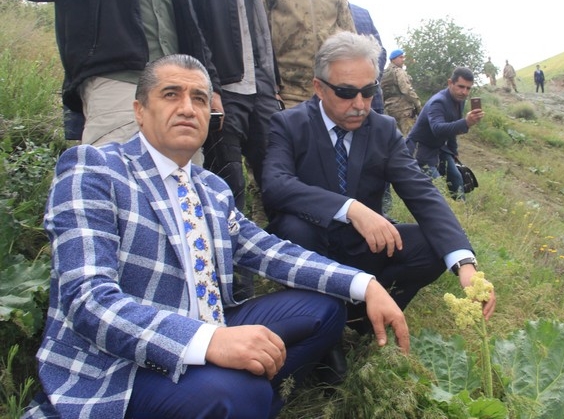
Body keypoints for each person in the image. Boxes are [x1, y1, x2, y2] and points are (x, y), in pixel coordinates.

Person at [22, 54, 409, 419]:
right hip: (122, 362)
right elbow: (87, 299)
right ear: (140, 111)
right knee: (237, 394)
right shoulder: (95, 170)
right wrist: (207, 342)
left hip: (212, 327)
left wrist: (363, 283)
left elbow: (269, 252)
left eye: (199, 98)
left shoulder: (211, 188)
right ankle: (235, 395)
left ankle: (234, 393)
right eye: (171, 94)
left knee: (325, 310)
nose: (188, 108)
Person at [261, 32, 496, 366]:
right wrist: (350, 208)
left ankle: (359, 319)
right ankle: (320, 330)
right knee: (293, 227)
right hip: (311, 249)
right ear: (319, 87)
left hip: (363, 247)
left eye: (369, 91)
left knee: (431, 246)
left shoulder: (383, 129)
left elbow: (422, 192)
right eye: (346, 93)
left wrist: (465, 264)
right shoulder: (289, 124)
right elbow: (275, 184)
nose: (360, 104)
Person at [11, 0, 224, 149]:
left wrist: (210, 85)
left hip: (182, 86)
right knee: (114, 182)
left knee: (181, 187)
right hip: (117, 79)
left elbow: (191, 20)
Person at [186, 0, 279, 217]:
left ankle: (280, 247)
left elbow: (259, 34)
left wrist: (272, 84)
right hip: (223, 88)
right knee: (228, 184)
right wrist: (211, 87)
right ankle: (228, 251)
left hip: (259, 87)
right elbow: (193, 28)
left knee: (276, 177)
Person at [256, 0, 356, 109]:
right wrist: (269, 89)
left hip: (330, 96)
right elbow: (256, 39)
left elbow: (351, 43)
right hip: (285, 96)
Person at [406, 67, 484, 200]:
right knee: (436, 188)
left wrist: (453, 151)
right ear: (450, 83)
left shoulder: (459, 100)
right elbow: (437, 128)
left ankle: (461, 215)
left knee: (457, 179)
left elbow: (452, 126)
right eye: (460, 86)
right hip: (420, 148)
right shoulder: (438, 102)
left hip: (439, 147)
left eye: (468, 88)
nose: (464, 92)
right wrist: (466, 123)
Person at [339, 0, 387, 114]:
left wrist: (366, 83)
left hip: (370, 100)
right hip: (336, 99)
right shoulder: (315, 12)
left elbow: (380, 52)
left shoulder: (363, 14)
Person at [381, 49, 422, 135]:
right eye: (400, 57)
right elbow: (406, 90)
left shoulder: (384, 74)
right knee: (411, 138)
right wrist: (418, 104)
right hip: (404, 111)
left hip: (389, 111)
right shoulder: (399, 71)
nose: (403, 59)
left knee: (397, 140)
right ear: (393, 59)